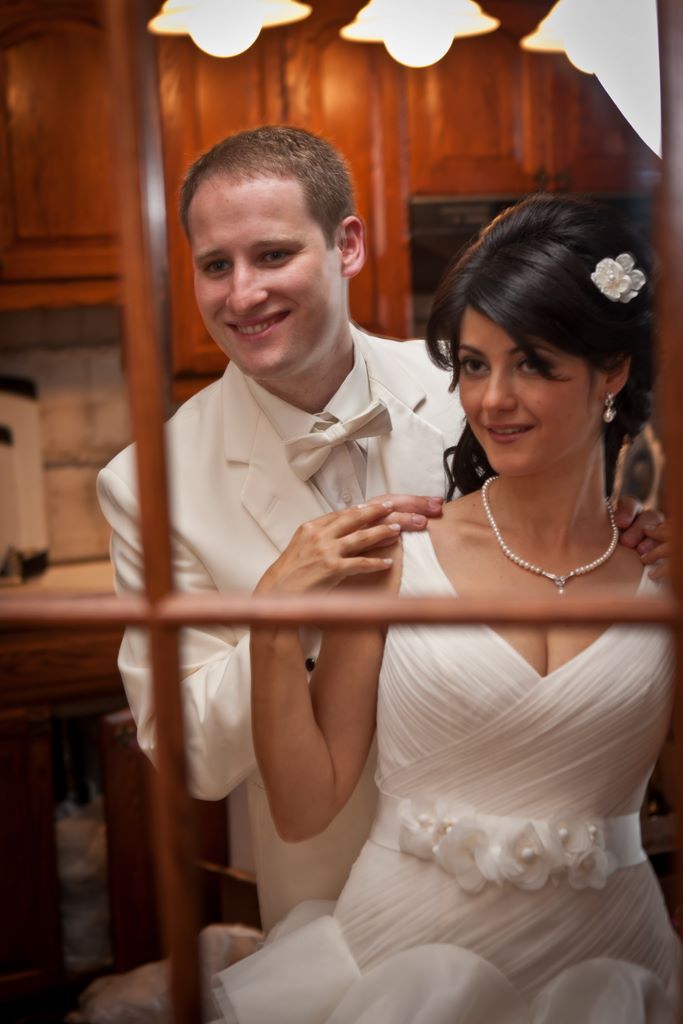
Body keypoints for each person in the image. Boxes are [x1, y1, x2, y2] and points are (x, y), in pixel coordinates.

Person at [97, 126, 665, 933]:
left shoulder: (480, 381)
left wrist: (634, 538)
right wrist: (282, 614)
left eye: (271, 255)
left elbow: (568, 527)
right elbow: (188, 754)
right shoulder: (148, 487)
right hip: (333, 897)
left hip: (562, 896)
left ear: (347, 246)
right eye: (215, 265)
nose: (242, 293)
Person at [211, 193, 679, 1023]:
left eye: (530, 363)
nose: (491, 398)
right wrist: (271, 622)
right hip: (397, 964)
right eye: (472, 364)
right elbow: (304, 807)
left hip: (618, 960)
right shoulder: (400, 558)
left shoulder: (660, 576)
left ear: (610, 371)